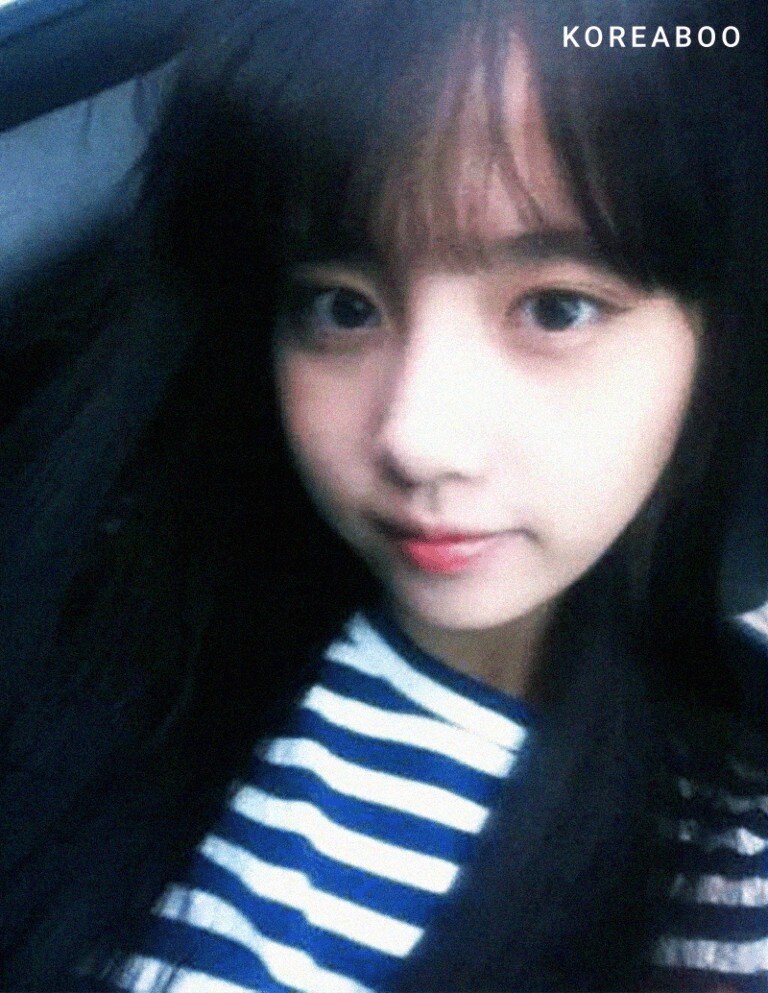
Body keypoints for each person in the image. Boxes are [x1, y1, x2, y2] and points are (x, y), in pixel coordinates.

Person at [0, 0, 765, 991]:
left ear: (719, 342)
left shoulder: (723, 882)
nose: (415, 438)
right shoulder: (99, 616)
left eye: (556, 308)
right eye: (342, 307)